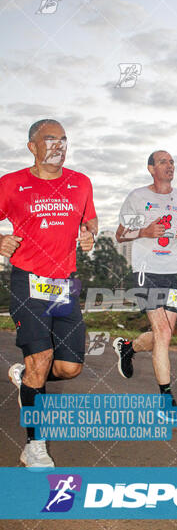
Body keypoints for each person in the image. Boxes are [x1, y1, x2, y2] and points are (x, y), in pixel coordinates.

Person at [0, 119, 97, 467]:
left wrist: (88, 232)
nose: (58, 145)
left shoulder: (80, 183)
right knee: (40, 361)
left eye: (63, 140)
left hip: (65, 284)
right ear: (33, 147)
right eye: (50, 139)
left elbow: (89, 220)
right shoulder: (10, 184)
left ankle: (28, 377)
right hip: (27, 280)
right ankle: (34, 446)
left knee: (69, 367)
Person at [113, 150, 177, 407]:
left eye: (171, 162)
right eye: (163, 162)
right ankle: (165, 397)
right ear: (151, 168)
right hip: (146, 270)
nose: (169, 166)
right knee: (161, 331)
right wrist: (145, 231)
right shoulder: (138, 197)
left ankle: (129, 348)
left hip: (174, 271)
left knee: (164, 335)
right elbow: (121, 234)